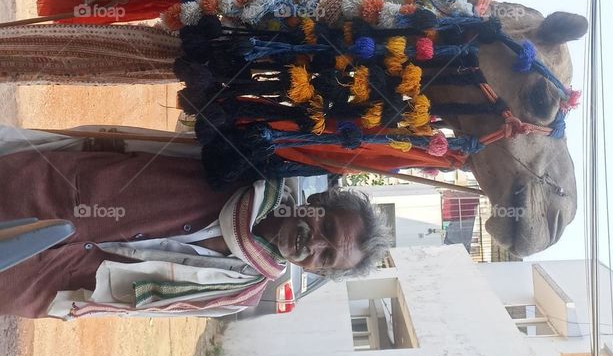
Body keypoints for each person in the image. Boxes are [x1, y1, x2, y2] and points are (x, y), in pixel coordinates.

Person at [0, 128, 389, 320]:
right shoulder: (241, 166)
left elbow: (144, 309)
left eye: (324, 258)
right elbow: (137, 143)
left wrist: (65, 308)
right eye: (329, 231)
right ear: (318, 204)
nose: (314, 244)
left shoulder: (242, 294)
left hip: (39, 281)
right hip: (40, 190)